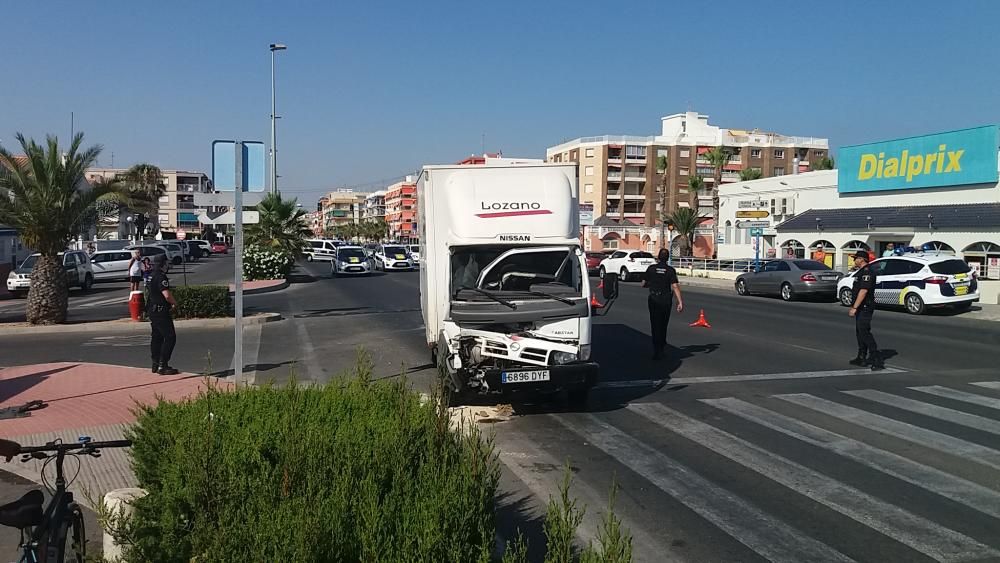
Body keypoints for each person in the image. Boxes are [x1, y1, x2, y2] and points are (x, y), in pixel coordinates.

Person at [642, 248, 684, 360]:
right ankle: (662, 346)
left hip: (654, 299)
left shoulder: (651, 269)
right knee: (663, 324)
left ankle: (656, 348)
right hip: (666, 300)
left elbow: (644, 283)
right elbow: (674, 286)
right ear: (668, 258)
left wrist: (650, 284)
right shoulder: (670, 270)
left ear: (658, 257)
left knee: (655, 324)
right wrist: (680, 302)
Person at [848, 250, 884, 371]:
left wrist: (854, 307)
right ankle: (862, 356)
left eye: (856, 258)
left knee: (864, 332)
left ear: (862, 259)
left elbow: (863, 291)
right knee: (859, 332)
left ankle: (876, 358)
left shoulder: (867, 272)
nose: (854, 260)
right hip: (861, 307)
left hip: (865, 306)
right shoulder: (861, 272)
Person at [147, 254, 179, 375]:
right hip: (161, 311)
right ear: (163, 264)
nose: (168, 265)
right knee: (170, 337)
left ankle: (155, 363)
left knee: (157, 337)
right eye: (167, 263)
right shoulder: (161, 277)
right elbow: (166, 295)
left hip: (152, 310)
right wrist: (175, 303)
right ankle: (163, 365)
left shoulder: (151, 275)